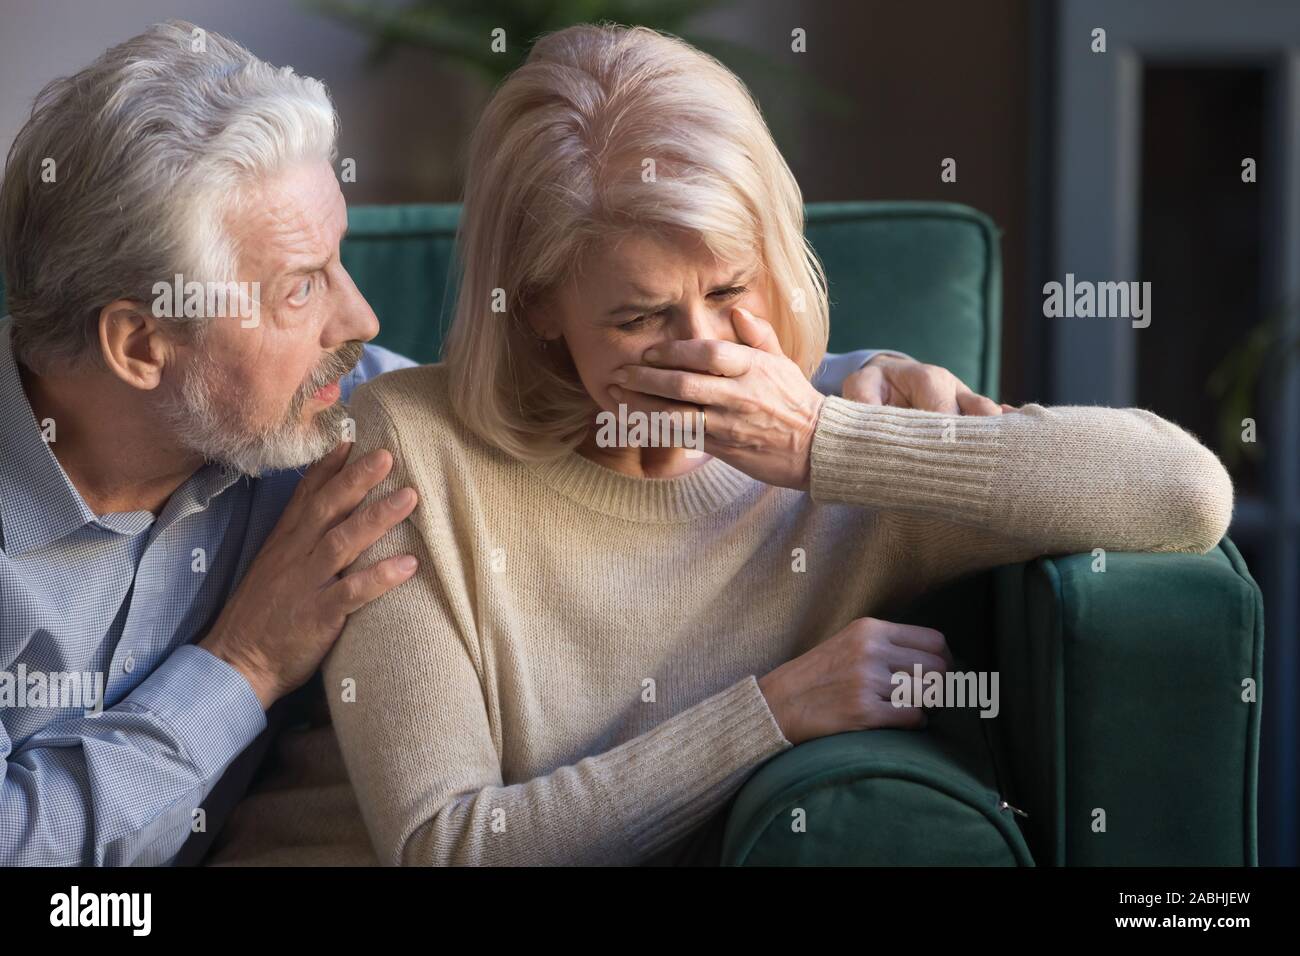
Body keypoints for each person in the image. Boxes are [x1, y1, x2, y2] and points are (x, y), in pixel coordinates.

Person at [0, 20, 974, 866]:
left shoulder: (330, 414)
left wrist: (848, 388)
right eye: (300, 286)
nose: (361, 313)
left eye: (340, 259)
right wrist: (241, 664)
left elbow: (541, 401)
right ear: (140, 342)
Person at [260, 24, 1229, 866]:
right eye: (640, 316)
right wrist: (771, 710)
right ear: (541, 303)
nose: (705, 347)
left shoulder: (859, 432)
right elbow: (447, 846)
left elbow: (1184, 492)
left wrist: (826, 439)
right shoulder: (404, 447)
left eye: (730, 289)